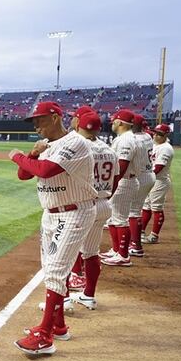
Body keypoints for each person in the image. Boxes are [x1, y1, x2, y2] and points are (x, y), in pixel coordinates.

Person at [8, 101, 96, 357]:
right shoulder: (47, 146)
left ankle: (45, 335)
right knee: (51, 269)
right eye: (33, 121)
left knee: (56, 271)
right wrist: (32, 155)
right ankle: (58, 325)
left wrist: (17, 156)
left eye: (40, 119)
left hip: (74, 212)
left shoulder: (75, 143)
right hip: (52, 213)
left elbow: (46, 171)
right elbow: (24, 175)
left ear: (56, 117)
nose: (36, 125)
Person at [67, 110, 115, 310]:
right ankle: (88, 295)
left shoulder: (77, 146)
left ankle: (62, 300)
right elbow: (116, 178)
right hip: (104, 203)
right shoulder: (109, 149)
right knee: (91, 252)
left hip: (83, 205)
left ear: (78, 123)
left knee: (65, 253)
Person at [102, 110, 140, 267]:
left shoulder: (126, 140)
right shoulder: (125, 138)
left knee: (120, 219)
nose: (113, 123)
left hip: (124, 181)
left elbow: (122, 166)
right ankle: (117, 250)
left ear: (122, 123)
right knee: (113, 218)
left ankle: (123, 255)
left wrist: (113, 185)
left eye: (115, 121)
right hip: (123, 180)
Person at [127, 115, 155, 258]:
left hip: (142, 175)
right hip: (148, 173)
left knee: (133, 211)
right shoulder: (148, 137)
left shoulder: (134, 139)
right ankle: (134, 243)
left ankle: (136, 246)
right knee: (135, 210)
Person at [143, 124, 175, 243]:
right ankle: (141, 232)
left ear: (165, 135)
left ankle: (154, 235)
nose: (155, 135)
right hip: (151, 179)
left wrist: (146, 177)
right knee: (146, 206)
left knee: (156, 207)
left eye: (158, 134)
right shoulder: (155, 145)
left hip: (159, 181)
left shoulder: (166, 148)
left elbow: (159, 167)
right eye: (155, 133)